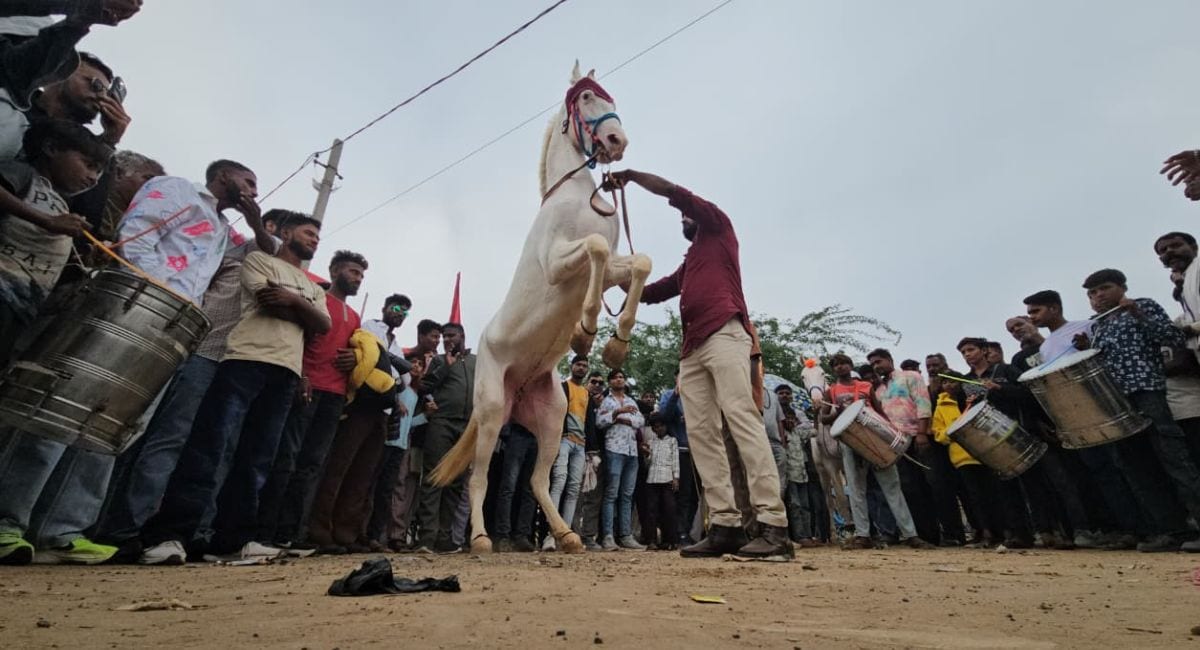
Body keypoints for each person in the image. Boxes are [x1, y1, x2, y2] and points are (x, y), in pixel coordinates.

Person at [615, 168, 790, 560]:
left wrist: (631, 177)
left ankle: (773, 526)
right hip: (692, 350)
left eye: (685, 214)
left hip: (726, 332)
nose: (683, 218)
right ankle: (725, 525)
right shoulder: (691, 260)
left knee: (742, 419)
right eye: (681, 217)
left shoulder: (718, 225)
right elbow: (654, 292)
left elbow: (673, 191)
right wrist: (619, 280)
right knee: (702, 435)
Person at [139, 214, 330, 563]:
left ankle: (233, 540)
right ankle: (170, 534)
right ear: (286, 234)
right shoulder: (259, 260)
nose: (315, 239)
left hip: (286, 370)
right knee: (209, 446)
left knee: (257, 458)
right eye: (308, 232)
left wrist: (293, 301)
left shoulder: (314, 286)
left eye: (319, 235)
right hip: (244, 360)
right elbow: (267, 300)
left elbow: (322, 325)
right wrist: (301, 310)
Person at [95, 208, 279, 563]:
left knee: (215, 449)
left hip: (235, 364)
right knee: (168, 438)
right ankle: (128, 531)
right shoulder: (232, 255)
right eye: (276, 233)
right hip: (203, 352)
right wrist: (257, 223)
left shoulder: (274, 270)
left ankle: (195, 532)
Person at [0, 119, 113, 565]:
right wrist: (47, 220)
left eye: (100, 172)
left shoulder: (66, 204)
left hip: (26, 311)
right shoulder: (23, 176)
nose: (92, 176)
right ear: (50, 147)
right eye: (87, 163)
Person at [1078, 269, 1200, 552]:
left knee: (1174, 459)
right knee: (1136, 466)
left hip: (1147, 391)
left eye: (1104, 288)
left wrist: (1137, 314)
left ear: (1122, 287)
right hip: (1117, 402)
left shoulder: (1142, 305)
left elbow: (1171, 336)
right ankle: (1171, 531)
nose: (1098, 296)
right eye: (1092, 293)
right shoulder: (1098, 326)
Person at [255, 250, 366, 554]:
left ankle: (292, 534)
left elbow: (357, 351)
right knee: (286, 459)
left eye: (361, 275)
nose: (358, 278)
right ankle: (264, 533)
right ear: (334, 271)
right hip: (308, 386)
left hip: (335, 395)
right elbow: (298, 337)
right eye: (353, 272)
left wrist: (355, 358)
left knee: (312, 465)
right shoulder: (315, 299)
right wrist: (302, 373)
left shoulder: (355, 317)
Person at [821, 353, 931, 550]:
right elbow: (823, 420)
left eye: (843, 363)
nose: (840, 367)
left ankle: (910, 534)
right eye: (835, 365)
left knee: (892, 487)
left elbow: (879, 412)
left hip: (875, 438)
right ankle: (863, 535)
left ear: (850, 365)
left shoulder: (866, 386)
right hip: (850, 442)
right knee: (856, 489)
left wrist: (890, 435)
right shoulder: (831, 391)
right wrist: (837, 413)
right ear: (833, 370)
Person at [119, 159, 267, 305]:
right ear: (224, 176)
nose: (255, 193)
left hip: (178, 313)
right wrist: (156, 288)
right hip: (138, 297)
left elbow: (266, 250)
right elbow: (134, 238)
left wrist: (257, 227)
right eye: (250, 183)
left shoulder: (223, 229)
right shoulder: (180, 189)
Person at [867, 349, 939, 548]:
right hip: (895, 443)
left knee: (931, 485)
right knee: (909, 488)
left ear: (890, 360)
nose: (876, 366)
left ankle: (938, 534)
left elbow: (923, 403)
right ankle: (917, 535)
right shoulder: (879, 390)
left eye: (879, 361)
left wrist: (922, 433)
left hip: (917, 436)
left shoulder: (910, 376)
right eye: (873, 364)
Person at [415, 322, 475, 554]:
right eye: (445, 337)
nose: (447, 340)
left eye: (451, 335)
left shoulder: (475, 362)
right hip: (441, 422)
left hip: (466, 426)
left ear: (462, 336)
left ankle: (445, 538)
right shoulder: (439, 361)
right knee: (434, 477)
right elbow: (425, 387)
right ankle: (426, 539)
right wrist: (445, 368)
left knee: (456, 483)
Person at [368, 351, 428, 551]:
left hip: (401, 446)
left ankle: (376, 535)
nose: (416, 367)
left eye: (420, 364)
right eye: (413, 363)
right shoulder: (398, 388)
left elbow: (409, 423)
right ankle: (367, 534)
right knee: (373, 486)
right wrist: (395, 402)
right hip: (387, 441)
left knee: (386, 489)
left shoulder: (414, 393)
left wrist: (426, 415)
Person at [543, 354, 597, 552]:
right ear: (571, 366)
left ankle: (565, 535)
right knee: (558, 482)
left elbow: (589, 421)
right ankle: (550, 534)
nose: (582, 368)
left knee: (574, 488)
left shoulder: (586, 393)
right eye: (579, 365)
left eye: (585, 365)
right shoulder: (562, 387)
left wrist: (592, 450)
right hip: (563, 439)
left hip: (580, 445)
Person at [596, 369, 645, 551]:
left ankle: (626, 535)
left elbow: (640, 421)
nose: (619, 380)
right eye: (616, 377)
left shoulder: (632, 401)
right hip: (614, 449)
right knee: (611, 493)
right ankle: (608, 536)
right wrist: (617, 413)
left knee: (627, 495)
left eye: (622, 377)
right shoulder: (606, 401)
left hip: (632, 451)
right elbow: (599, 422)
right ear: (610, 382)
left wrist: (625, 420)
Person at [658, 369, 698, 545]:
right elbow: (664, 417)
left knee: (694, 496)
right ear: (676, 378)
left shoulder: (698, 396)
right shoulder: (669, 394)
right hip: (678, 450)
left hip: (698, 452)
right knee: (680, 494)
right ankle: (678, 533)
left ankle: (690, 531)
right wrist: (676, 394)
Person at [642, 413, 679, 550]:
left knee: (669, 510)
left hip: (667, 479)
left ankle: (670, 540)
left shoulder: (672, 441)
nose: (659, 429)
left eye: (661, 426)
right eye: (655, 427)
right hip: (652, 480)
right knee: (651, 511)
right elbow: (647, 464)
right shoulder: (651, 443)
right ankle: (651, 540)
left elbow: (675, 460)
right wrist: (646, 454)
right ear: (652, 429)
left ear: (665, 426)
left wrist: (676, 478)